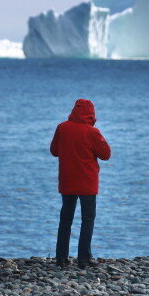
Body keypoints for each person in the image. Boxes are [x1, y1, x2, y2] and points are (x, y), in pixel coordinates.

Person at [50, 99, 111, 269]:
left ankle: (61, 258)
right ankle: (83, 259)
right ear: (91, 113)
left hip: (67, 180)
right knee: (87, 219)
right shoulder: (92, 132)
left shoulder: (62, 128)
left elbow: (54, 151)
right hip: (87, 182)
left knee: (66, 219)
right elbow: (106, 154)